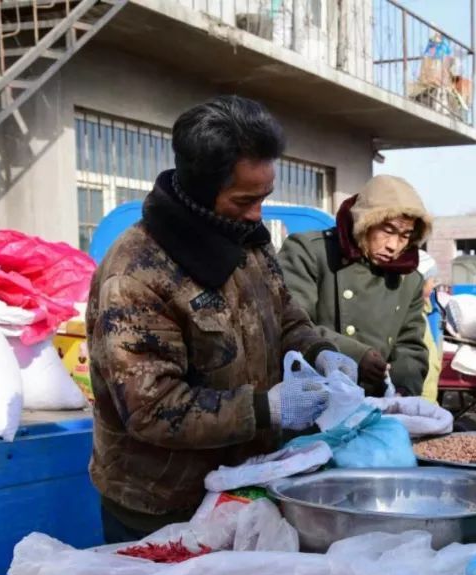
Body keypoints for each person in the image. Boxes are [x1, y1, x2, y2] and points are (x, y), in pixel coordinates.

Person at [87, 96, 358, 542]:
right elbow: (152, 408)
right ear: (198, 187)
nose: (258, 214)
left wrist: (321, 352)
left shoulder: (246, 240)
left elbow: (284, 313)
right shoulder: (136, 274)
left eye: (264, 198)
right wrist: (268, 407)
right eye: (244, 200)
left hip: (248, 485)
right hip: (165, 505)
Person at [278, 176, 432, 398]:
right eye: (387, 231)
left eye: (405, 236)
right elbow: (291, 324)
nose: (393, 246)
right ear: (365, 222)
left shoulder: (409, 279)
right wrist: (356, 356)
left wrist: (401, 390)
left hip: (376, 404)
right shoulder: (310, 252)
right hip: (311, 396)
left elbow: (410, 346)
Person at [418, 250, 442, 403]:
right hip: (419, 395)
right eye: (432, 279)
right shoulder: (413, 316)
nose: (434, 284)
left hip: (429, 396)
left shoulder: (427, 310)